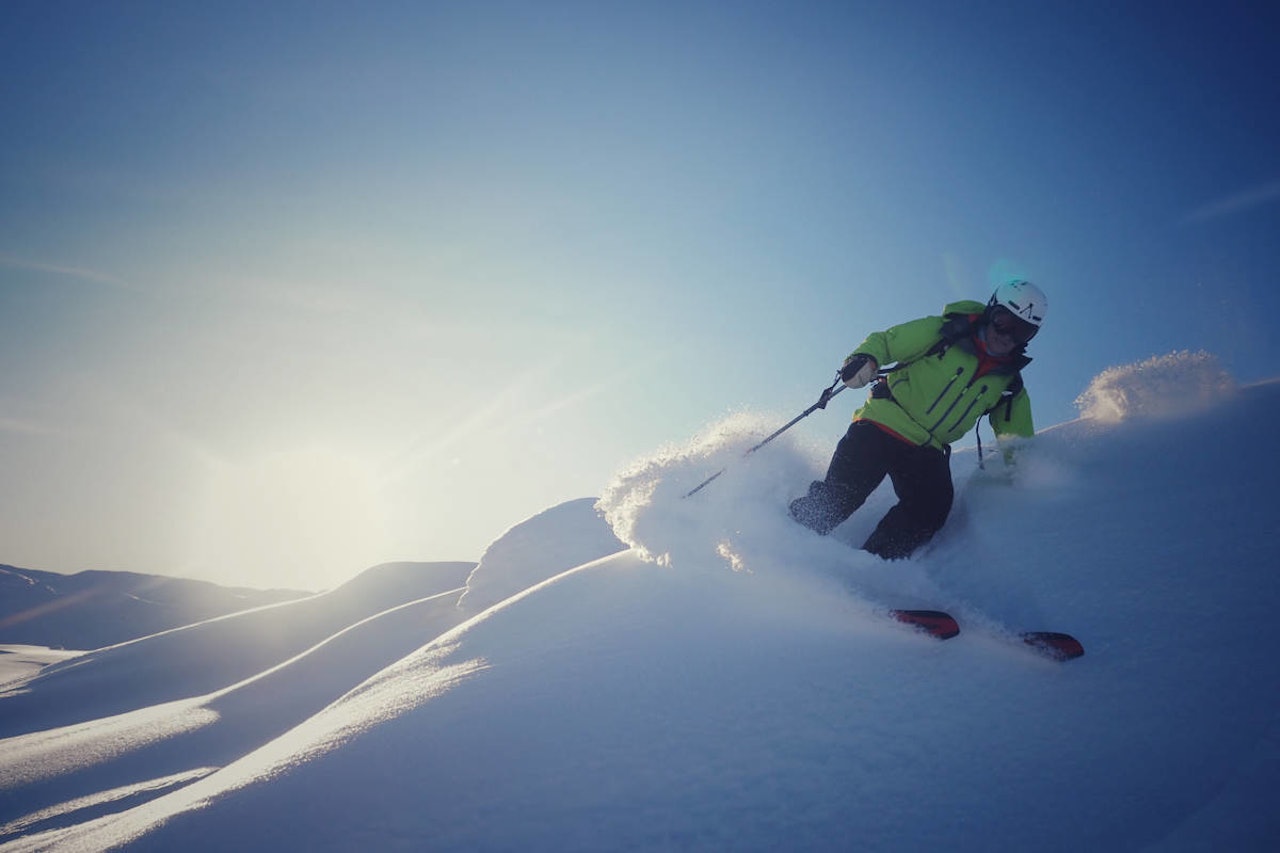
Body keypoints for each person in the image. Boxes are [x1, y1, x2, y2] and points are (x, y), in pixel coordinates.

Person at [789, 279, 1046, 558]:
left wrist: (1028, 472)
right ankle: (784, 537)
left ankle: (872, 567)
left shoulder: (1009, 385)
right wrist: (867, 359)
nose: (1007, 335)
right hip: (881, 424)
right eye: (1003, 321)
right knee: (842, 496)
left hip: (927, 450)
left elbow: (1018, 443)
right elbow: (888, 341)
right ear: (991, 311)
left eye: (1022, 331)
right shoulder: (946, 331)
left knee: (930, 510)